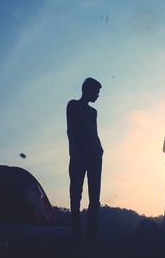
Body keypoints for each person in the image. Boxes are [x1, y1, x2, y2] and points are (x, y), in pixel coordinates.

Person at [66, 77, 103, 237]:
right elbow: (70, 130)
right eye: (97, 92)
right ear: (88, 90)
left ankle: (92, 229)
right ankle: (76, 229)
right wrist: (73, 152)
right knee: (76, 191)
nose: (98, 95)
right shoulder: (73, 105)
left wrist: (100, 150)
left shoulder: (93, 112)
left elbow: (94, 133)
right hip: (79, 154)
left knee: (95, 194)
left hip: (95, 155)